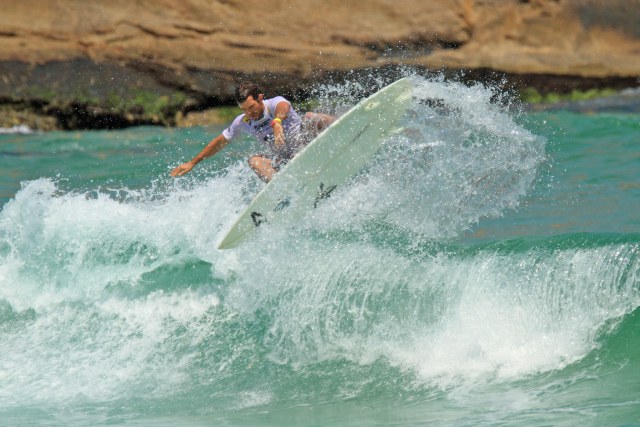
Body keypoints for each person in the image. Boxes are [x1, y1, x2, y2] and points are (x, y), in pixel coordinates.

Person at [170, 82, 334, 182]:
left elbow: (283, 107)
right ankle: (283, 189)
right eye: (244, 109)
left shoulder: (274, 103)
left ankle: (350, 128)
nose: (249, 113)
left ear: (260, 98)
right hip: (287, 161)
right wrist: (193, 162)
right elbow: (220, 142)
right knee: (254, 160)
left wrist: (277, 121)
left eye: (252, 107)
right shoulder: (243, 121)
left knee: (312, 117)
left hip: (308, 145)